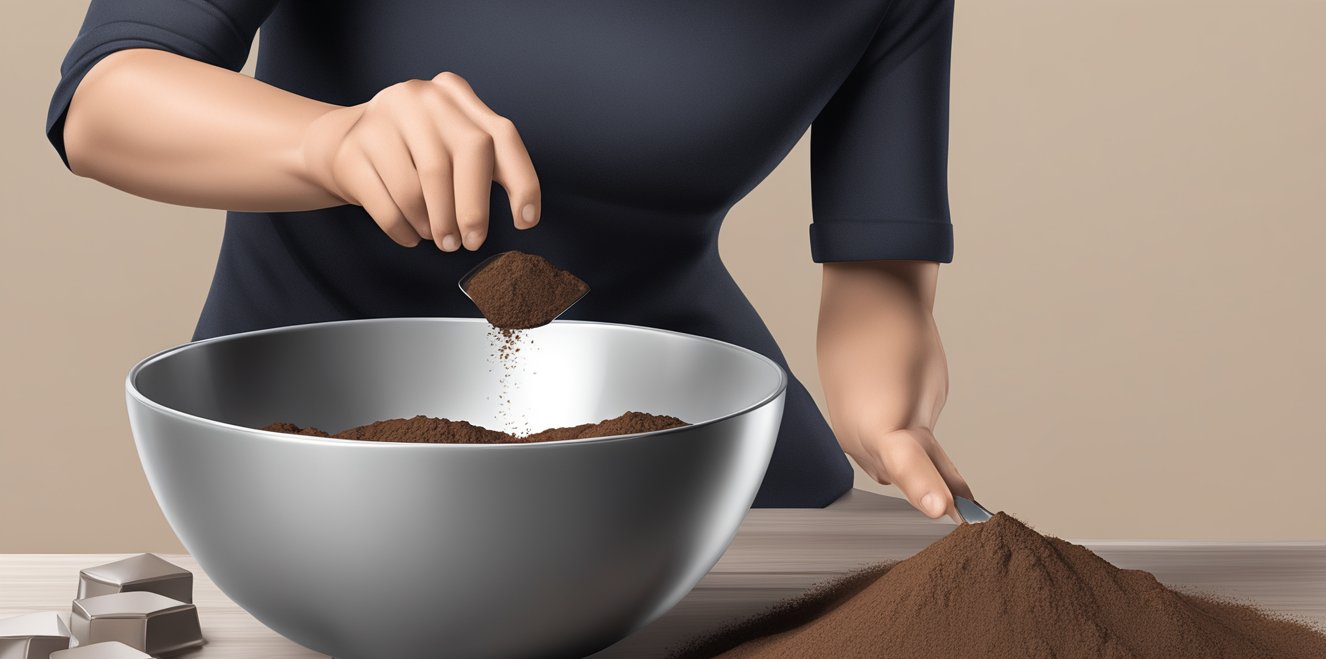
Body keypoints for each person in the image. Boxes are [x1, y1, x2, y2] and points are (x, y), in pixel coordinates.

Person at [48, 0, 972, 521]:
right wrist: (332, 142)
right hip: (314, 471)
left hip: (671, 478)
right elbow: (105, 98)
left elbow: (878, 264)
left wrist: (884, 411)